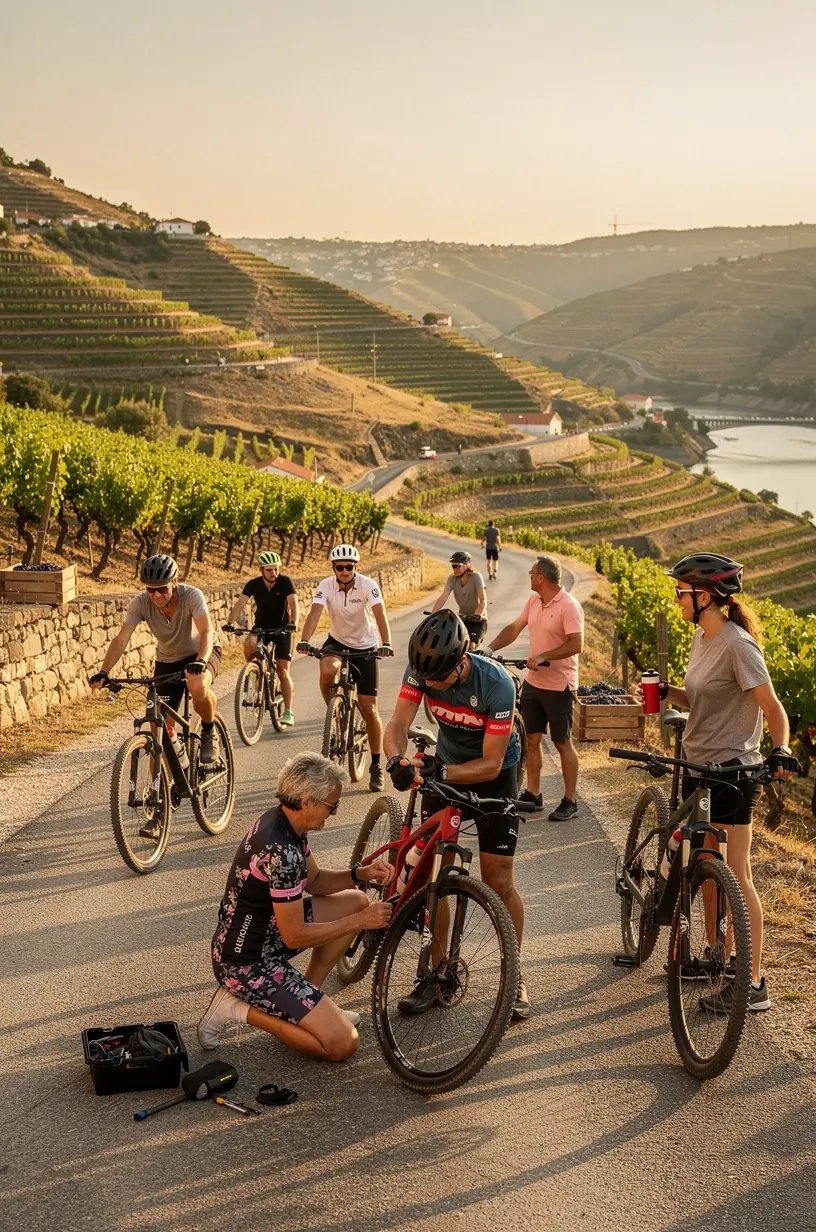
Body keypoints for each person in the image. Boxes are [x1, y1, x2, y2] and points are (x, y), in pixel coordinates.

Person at [658, 553, 799, 1013]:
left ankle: (753, 981)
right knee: (705, 867)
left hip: (733, 773)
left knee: (736, 875)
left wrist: (782, 748)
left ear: (705, 597)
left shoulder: (739, 645)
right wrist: (665, 693)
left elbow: (773, 708)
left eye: (681, 592)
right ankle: (715, 956)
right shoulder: (704, 636)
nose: (676, 598)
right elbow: (701, 696)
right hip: (697, 767)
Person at [198, 752, 394, 1061]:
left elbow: (314, 881)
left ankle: (307, 1001)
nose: (333, 814)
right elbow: (295, 936)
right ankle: (234, 1007)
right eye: (332, 806)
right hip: (244, 963)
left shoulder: (283, 821)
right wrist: (361, 921)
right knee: (343, 1043)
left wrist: (360, 874)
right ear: (307, 801)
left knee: (356, 899)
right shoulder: (281, 851)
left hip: (260, 934)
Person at [384, 609, 531, 1020]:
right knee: (437, 871)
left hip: (493, 775)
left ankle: (515, 973)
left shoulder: (496, 685)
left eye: (438, 680)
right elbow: (396, 723)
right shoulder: (421, 671)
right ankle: (435, 972)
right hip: (446, 767)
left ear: (461, 661)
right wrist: (396, 759)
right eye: (424, 678)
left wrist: (442, 770)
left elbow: (490, 761)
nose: (429, 686)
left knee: (498, 880)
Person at [89, 554, 222, 764]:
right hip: (167, 659)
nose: (157, 595)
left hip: (202, 653)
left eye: (162, 589)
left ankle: (208, 730)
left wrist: (201, 661)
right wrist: (104, 670)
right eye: (151, 589)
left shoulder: (192, 596)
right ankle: (159, 793)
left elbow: (206, 631)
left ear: (175, 582)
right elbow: (122, 639)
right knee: (160, 734)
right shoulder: (140, 603)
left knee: (197, 685)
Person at [488, 555, 584, 821]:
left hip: (560, 685)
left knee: (562, 742)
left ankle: (570, 800)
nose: (529, 576)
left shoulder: (569, 606)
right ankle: (533, 794)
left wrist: (545, 656)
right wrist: (489, 649)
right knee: (531, 739)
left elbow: (577, 644)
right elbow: (514, 628)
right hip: (534, 683)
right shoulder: (534, 601)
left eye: (531, 573)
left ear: (541, 577)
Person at [296, 544, 394, 792]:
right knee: (327, 668)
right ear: (333, 568)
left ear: (355, 567)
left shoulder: (367, 585)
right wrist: (305, 639)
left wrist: (386, 643)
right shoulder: (326, 586)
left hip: (366, 645)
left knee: (369, 708)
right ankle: (335, 707)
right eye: (339, 567)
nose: (344, 571)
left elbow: (380, 613)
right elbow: (315, 612)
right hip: (337, 641)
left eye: (349, 567)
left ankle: (374, 765)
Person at [228, 550, 299, 727]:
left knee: (283, 671)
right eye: (269, 570)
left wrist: (294, 622)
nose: (273, 573)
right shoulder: (253, 584)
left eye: (275, 569)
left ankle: (288, 711)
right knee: (249, 642)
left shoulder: (285, 582)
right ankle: (255, 670)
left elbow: (293, 603)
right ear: (261, 570)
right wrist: (230, 622)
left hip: (283, 629)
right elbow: (240, 604)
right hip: (261, 627)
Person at [431, 549, 487, 647]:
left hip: (478, 619)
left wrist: (477, 615)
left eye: (457, 566)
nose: (454, 569)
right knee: (454, 645)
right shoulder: (452, 579)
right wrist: (433, 614)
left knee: (472, 645)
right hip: (462, 618)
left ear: (466, 565)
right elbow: (443, 598)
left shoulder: (476, 576)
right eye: (453, 566)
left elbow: (483, 600)